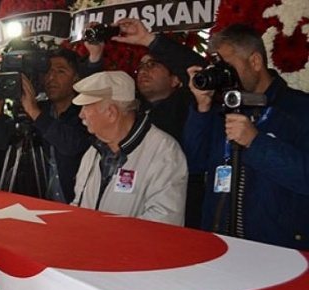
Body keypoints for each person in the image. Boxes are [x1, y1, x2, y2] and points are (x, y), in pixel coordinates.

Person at [184, 24, 309, 250]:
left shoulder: (300, 109)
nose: (223, 74)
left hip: (277, 252)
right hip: (219, 246)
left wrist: (256, 142)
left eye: (228, 66)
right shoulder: (222, 109)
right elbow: (193, 163)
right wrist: (202, 108)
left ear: (255, 62)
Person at [83, 18, 207, 228]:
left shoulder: (186, 103)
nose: (144, 70)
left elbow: (198, 70)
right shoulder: (134, 110)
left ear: (176, 79)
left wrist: (148, 40)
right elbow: (99, 102)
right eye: (140, 66)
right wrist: (95, 56)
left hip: (177, 213)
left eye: (153, 64)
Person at [71, 71, 188, 226]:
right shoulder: (94, 151)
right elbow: (79, 203)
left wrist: (108, 239)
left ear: (111, 113)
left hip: (130, 250)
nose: (81, 115)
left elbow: (164, 222)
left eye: (86, 107)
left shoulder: (165, 151)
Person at [0, 48, 92, 203]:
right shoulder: (38, 110)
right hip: (38, 202)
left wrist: (34, 111)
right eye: (48, 71)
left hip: (74, 205)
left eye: (60, 71)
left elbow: (72, 145)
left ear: (76, 78)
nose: (51, 77)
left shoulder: (86, 112)